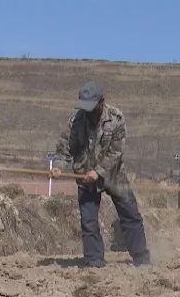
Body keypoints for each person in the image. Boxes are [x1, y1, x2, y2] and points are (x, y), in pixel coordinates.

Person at [51, 81, 150, 267]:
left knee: (130, 215)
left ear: (101, 101)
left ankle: (141, 258)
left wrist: (98, 172)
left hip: (113, 175)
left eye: (92, 107)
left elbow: (116, 152)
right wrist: (58, 166)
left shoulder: (116, 118)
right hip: (84, 177)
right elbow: (64, 149)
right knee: (88, 221)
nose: (88, 111)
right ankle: (94, 261)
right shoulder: (75, 122)